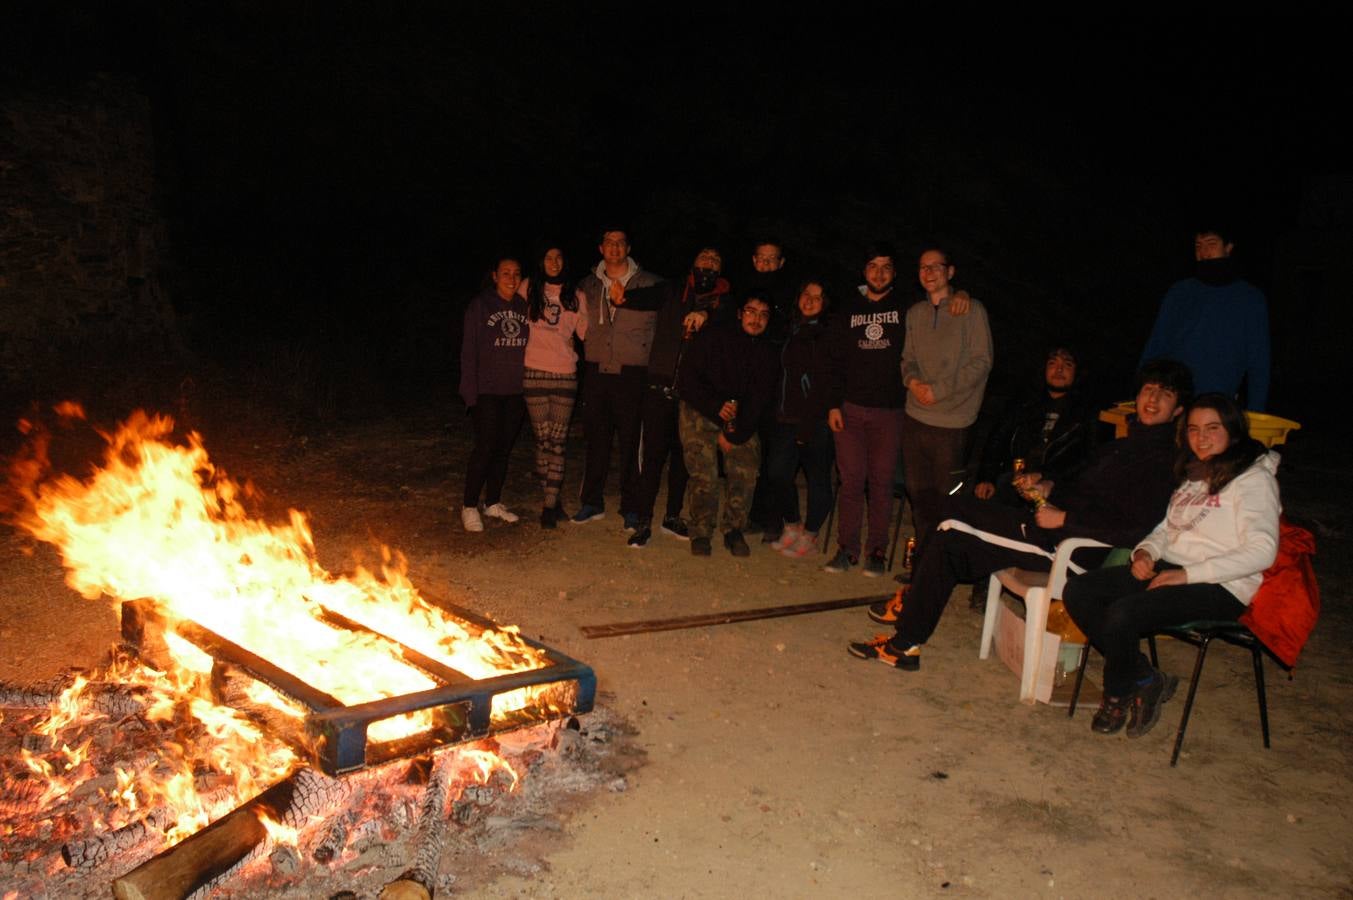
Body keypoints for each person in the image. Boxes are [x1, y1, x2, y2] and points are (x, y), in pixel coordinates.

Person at [848, 360, 1193, 673]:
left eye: (1165, 393)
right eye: (1149, 389)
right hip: (1051, 531)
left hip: (1069, 549)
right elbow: (1080, 483)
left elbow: (1134, 529)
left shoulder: (1163, 462)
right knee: (949, 536)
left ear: (1178, 409)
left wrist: (1066, 521)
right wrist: (1046, 485)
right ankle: (907, 636)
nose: (1153, 398)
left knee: (947, 513)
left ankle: (908, 615)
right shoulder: (1122, 445)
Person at [1063, 392, 1280, 738]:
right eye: (1193, 429)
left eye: (1212, 428)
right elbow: (1165, 529)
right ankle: (1147, 677)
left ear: (1233, 431)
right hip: (1171, 567)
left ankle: (1117, 695)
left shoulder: (1253, 479)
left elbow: (1263, 551)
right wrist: (1145, 553)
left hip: (1221, 585)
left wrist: (1187, 575)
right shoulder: (1195, 474)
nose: (1202, 437)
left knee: (1122, 612)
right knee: (1080, 590)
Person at [626, 248, 727, 548]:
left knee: (684, 460)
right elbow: (646, 297)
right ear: (692, 264)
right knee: (653, 458)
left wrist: (706, 313)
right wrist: (623, 298)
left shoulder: (725, 299)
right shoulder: (672, 290)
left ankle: (672, 516)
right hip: (660, 387)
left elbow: (729, 320)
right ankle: (643, 521)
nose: (708, 262)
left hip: (695, 393)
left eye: (714, 260)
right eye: (703, 258)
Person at [899, 246, 993, 569]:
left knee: (947, 500)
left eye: (936, 267)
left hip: (953, 423)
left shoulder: (972, 311)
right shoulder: (915, 314)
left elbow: (982, 362)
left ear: (950, 272)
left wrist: (938, 390)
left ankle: (943, 564)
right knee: (919, 495)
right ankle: (924, 563)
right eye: (923, 267)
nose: (929, 272)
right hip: (915, 418)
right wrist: (913, 383)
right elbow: (906, 359)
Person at [572, 228, 665, 525]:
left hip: (632, 373)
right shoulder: (587, 285)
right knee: (596, 440)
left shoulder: (650, 284)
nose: (614, 248)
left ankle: (632, 506)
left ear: (628, 247)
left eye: (620, 243)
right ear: (601, 248)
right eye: (609, 243)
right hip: (597, 371)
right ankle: (591, 501)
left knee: (630, 443)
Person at [677, 295, 778, 557]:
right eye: (751, 311)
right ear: (739, 313)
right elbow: (686, 380)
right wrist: (714, 407)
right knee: (704, 474)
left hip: (738, 416)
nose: (756, 319)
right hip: (701, 408)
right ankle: (701, 530)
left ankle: (734, 528)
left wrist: (735, 434)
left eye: (763, 314)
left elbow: (759, 400)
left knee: (745, 466)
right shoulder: (713, 337)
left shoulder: (767, 352)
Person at [1140, 226, 1271, 410]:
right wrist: (1140, 392)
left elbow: (1259, 360)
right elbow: (1157, 344)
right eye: (1198, 246)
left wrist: (1256, 409)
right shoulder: (1180, 292)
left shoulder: (1250, 298)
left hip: (1219, 401)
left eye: (1211, 244)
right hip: (1173, 400)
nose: (1204, 252)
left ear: (1228, 247)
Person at [973, 345, 1098, 508]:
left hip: (1055, 487)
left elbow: (1086, 460)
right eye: (1053, 363)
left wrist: (1043, 475)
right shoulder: (1024, 403)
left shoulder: (1085, 414)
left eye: (1067, 365)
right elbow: (997, 441)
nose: (1059, 370)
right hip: (1013, 480)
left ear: (1077, 372)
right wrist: (986, 478)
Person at [765, 280, 835, 558]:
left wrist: (810, 422)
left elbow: (826, 382)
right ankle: (792, 524)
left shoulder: (828, 335)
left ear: (825, 304)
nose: (810, 300)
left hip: (816, 420)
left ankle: (811, 532)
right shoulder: (788, 329)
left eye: (817, 297)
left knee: (818, 478)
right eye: (806, 294)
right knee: (777, 473)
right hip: (785, 417)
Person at [459, 256, 529, 532]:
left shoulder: (524, 306)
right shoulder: (480, 306)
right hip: (486, 390)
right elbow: (468, 351)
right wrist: (469, 393)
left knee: (503, 448)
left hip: (515, 391)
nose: (511, 279)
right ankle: (468, 505)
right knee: (485, 447)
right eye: (505, 273)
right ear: (495, 276)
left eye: (516, 274)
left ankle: (493, 502)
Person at [523, 245, 587, 528]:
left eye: (559, 257)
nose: (554, 262)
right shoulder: (528, 288)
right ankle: (551, 496)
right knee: (542, 440)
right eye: (548, 257)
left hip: (564, 373)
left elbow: (586, 334)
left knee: (558, 442)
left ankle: (549, 505)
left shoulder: (578, 296)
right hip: (533, 371)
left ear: (565, 262)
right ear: (541, 262)